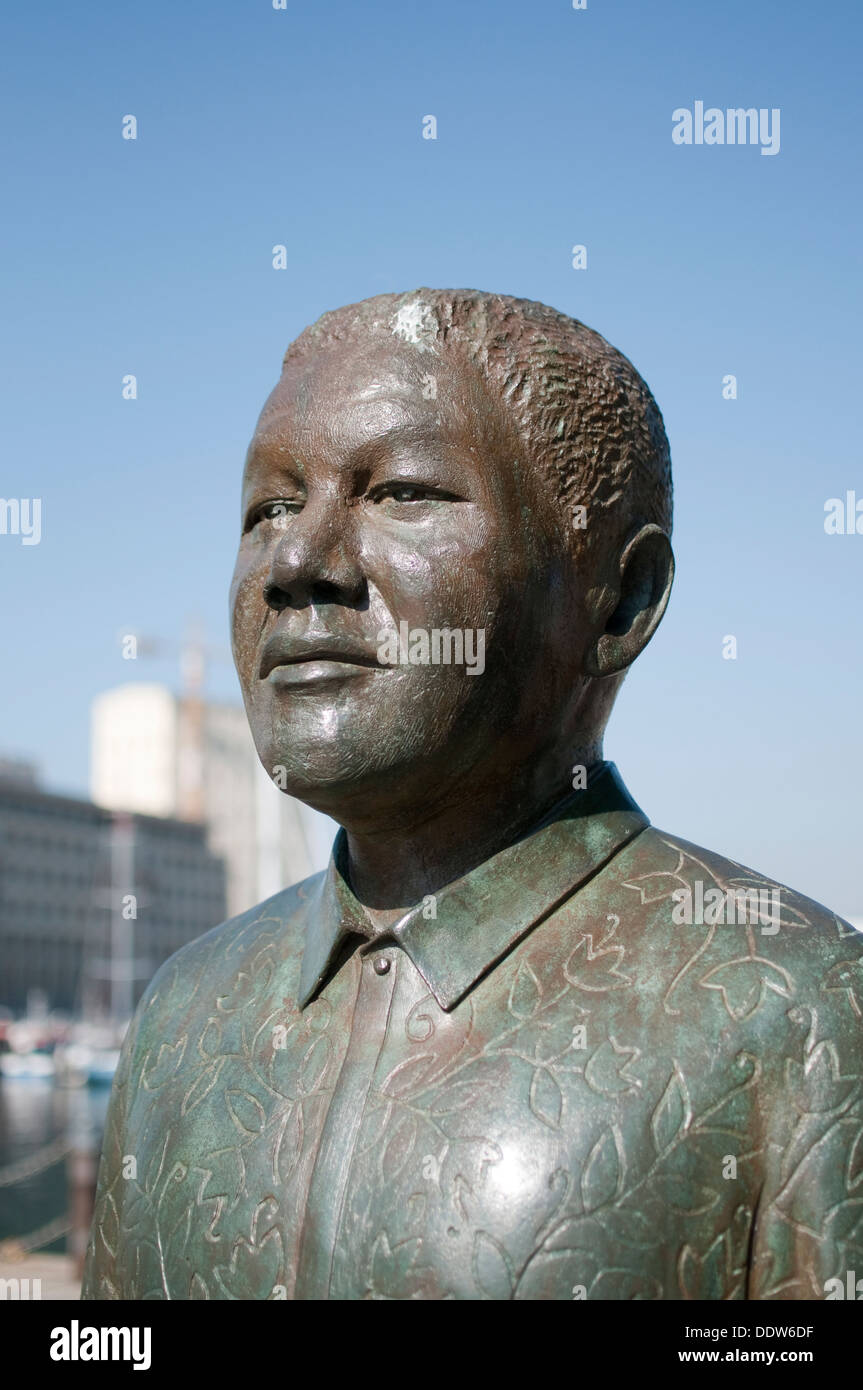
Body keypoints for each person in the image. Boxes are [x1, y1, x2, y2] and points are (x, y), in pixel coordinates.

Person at [82, 290, 863, 1300]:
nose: (294, 561)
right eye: (269, 506)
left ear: (616, 599)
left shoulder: (798, 1010)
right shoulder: (182, 1018)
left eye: (401, 493)